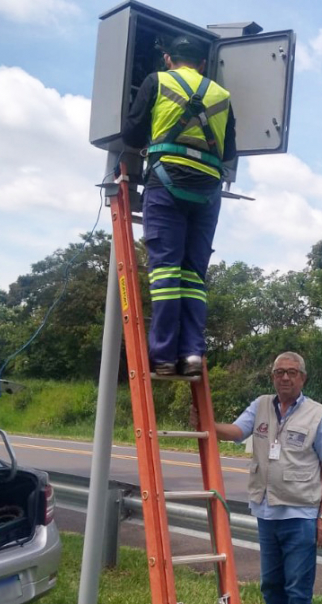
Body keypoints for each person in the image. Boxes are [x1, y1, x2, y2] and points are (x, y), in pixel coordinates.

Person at [122, 35, 237, 377]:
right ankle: (190, 355)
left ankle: (164, 357)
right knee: (192, 275)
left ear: (169, 59)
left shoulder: (157, 81)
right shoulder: (222, 95)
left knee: (166, 272)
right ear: (203, 64)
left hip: (166, 183)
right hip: (207, 192)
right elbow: (229, 152)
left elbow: (131, 134)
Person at [214, 352, 322, 604]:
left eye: (292, 372)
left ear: (303, 378)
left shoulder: (318, 414)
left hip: (301, 516)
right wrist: (208, 421)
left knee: (297, 588)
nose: (285, 377)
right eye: (279, 372)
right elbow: (235, 432)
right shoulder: (260, 406)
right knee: (271, 586)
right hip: (266, 513)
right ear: (272, 376)